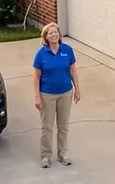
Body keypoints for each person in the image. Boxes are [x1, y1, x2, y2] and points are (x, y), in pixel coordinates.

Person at [32, 23, 80, 168]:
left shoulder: (67, 50)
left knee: (63, 125)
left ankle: (62, 154)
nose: (54, 35)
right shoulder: (41, 54)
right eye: (50, 33)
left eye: (56, 32)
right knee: (47, 126)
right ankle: (45, 156)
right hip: (47, 95)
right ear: (46, 37)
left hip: (65, 93)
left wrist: (77, 89)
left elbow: (73, 71)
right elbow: (36, 77)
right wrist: (37, 96)